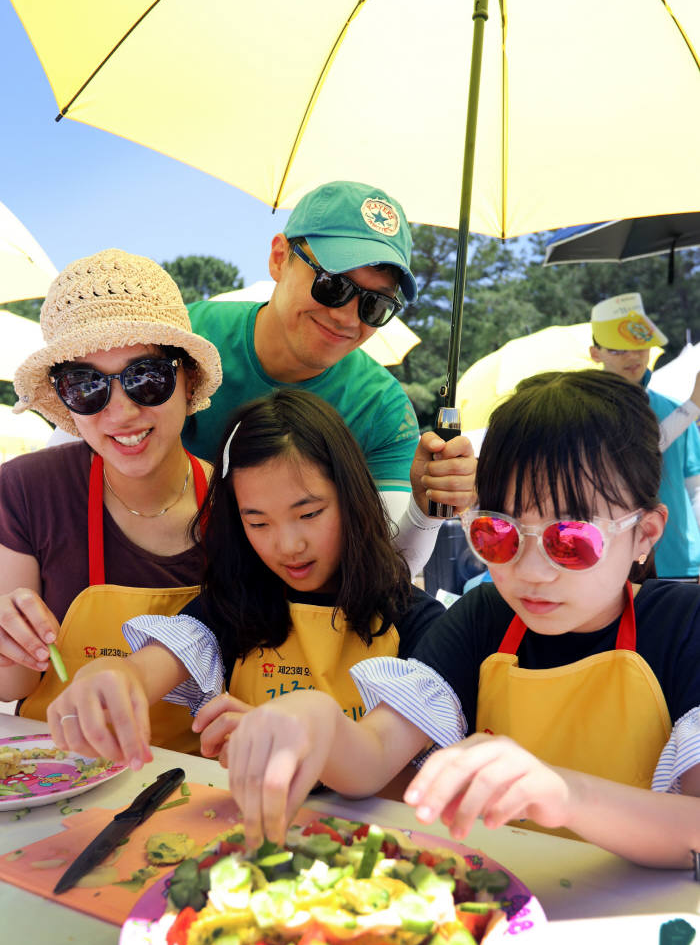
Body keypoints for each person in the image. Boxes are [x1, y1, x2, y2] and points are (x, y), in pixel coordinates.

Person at [194, 371, 699, 869]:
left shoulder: (682, 625)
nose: (530, 571)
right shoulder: (484, 620)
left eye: (570, 539)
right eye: (498, 533)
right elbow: (372, 759)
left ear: (646, 534)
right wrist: (312, 720)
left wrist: (564, 793)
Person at [46, 390, 445, 786]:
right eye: (258, 523)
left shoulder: (420, 624)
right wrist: (109, 678)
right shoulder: (231, 606)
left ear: (352, 497)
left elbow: (373, 765)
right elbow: (143, 670)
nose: (288, 545)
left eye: (309, 513)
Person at [180, 180, 476, 576]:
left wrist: (425, 511)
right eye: (333, 285)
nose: (347, 317)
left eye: (375, 304)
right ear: (279, 258)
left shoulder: (381, 409)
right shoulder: (183, 343)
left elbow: (392, 562)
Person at [1, 249, 222, 755]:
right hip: (56, 771)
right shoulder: (24, 490)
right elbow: (11, 688)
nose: (121, 411)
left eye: (147, 376)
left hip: (192, 784)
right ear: (65, 402)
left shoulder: (240, 507)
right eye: (86, 385)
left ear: (187, 380)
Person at [589, 292, 700, 580]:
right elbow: (636, 450)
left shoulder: (674, 409)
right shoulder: (588, 411)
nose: (632, 356)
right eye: (617, 349)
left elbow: (695, 488)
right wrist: (693, 407)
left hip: (684, 561)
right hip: (618, 565)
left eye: (640, 345)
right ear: (595, 352)